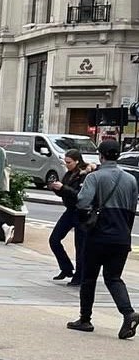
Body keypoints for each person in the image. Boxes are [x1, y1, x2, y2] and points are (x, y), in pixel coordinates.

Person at [69, 138, 139, 337]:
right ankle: (128, 313)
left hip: (98, 235)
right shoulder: (131, 180)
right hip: (121, 236)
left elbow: (82, 202)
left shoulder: (94, 177)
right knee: (114, 278)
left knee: (89, 277)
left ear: (100, 155)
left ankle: (85, 319)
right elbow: (133, 209)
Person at [47, 148, 89, 284]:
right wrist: (56, 188)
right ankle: (66, 268)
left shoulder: (84, 175)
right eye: (65, 162)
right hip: (70, 211)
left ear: (77, 161)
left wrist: (63, 188)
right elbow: (65, 192)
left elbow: (80, 195)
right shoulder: (69, 174)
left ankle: (79, 275)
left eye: (69, 162)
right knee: (54, 239)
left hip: (81, 212)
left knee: (80, 246)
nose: (66, 164)